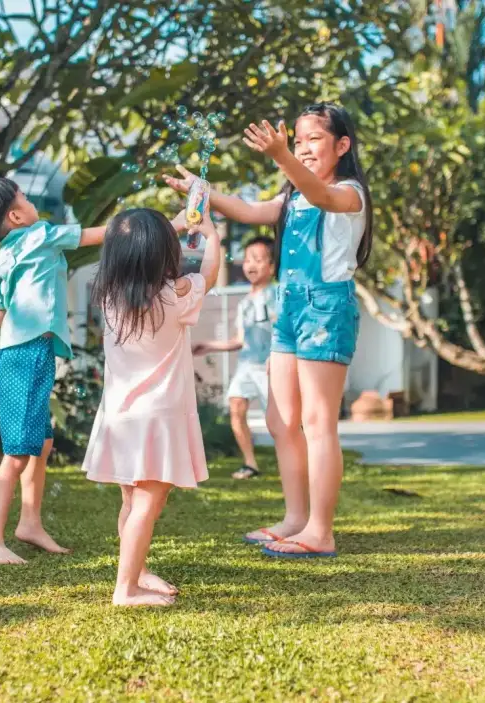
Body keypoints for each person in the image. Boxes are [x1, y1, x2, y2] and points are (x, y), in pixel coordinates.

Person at [164, 103, 372, 558]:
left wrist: (281, 156)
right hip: (290, 307)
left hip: (325, 309)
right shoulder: (292, 196)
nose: (303, 148)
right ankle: (296, 519)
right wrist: (204, 194)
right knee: (280, 421)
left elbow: (321, 195)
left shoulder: (349, 192)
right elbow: (248, 209)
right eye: (297, 141)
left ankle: (321, 530)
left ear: (342, 145)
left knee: (317, 422)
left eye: (313, 140)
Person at [0, 177, 107, 565]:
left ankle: (30, 524)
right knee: (17, 453)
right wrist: (156, 226)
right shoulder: (41, 234)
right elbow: (94, 235)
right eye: (23, 197)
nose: (30, 200)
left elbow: (2, 312)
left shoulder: (2, 257)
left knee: (43, 441)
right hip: (25, 354)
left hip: (18, 352)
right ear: (17, 216)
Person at [82, 208, 222, 606]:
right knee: (148, 502)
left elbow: (127, 244)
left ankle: (137, 571)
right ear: (164, 253)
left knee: (132, 500)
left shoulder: (110, 296)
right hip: (157, 420)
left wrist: (173, 224)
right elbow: (209, 275)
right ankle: (125, 589)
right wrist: (210, 235)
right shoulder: (173, 297)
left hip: (121, 419)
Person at [192, 236, 277, 479]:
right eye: (248, 259)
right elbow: (239, 340)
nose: (251, 265)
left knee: (281, 420)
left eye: (258, 260)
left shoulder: (277, 294)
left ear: (271, 267)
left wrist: (277, 357)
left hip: (271, 366)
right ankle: (250, 464)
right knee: (236, 408)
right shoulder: (244, 303)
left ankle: (296, 458)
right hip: (247, 365)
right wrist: (208, 345)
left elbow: (284, 330)